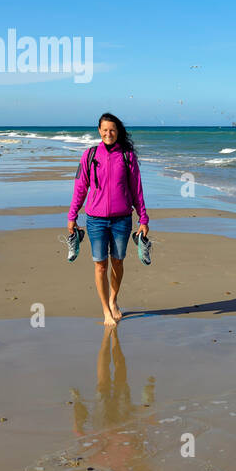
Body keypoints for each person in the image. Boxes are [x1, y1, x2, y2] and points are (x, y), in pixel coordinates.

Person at [67, 113, 149, 325]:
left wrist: (143, 218)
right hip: (95, 220)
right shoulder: (90, 155)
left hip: (122, 219)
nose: (108, 133)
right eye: (104, 130)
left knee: (118, 262)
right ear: (99, 131)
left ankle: (113, 300)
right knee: (100, 265)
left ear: (118, 131)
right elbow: (80, 187)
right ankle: (105, 310)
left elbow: (136, 188)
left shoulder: (127, 156)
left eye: (112, 130)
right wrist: (72, 215)